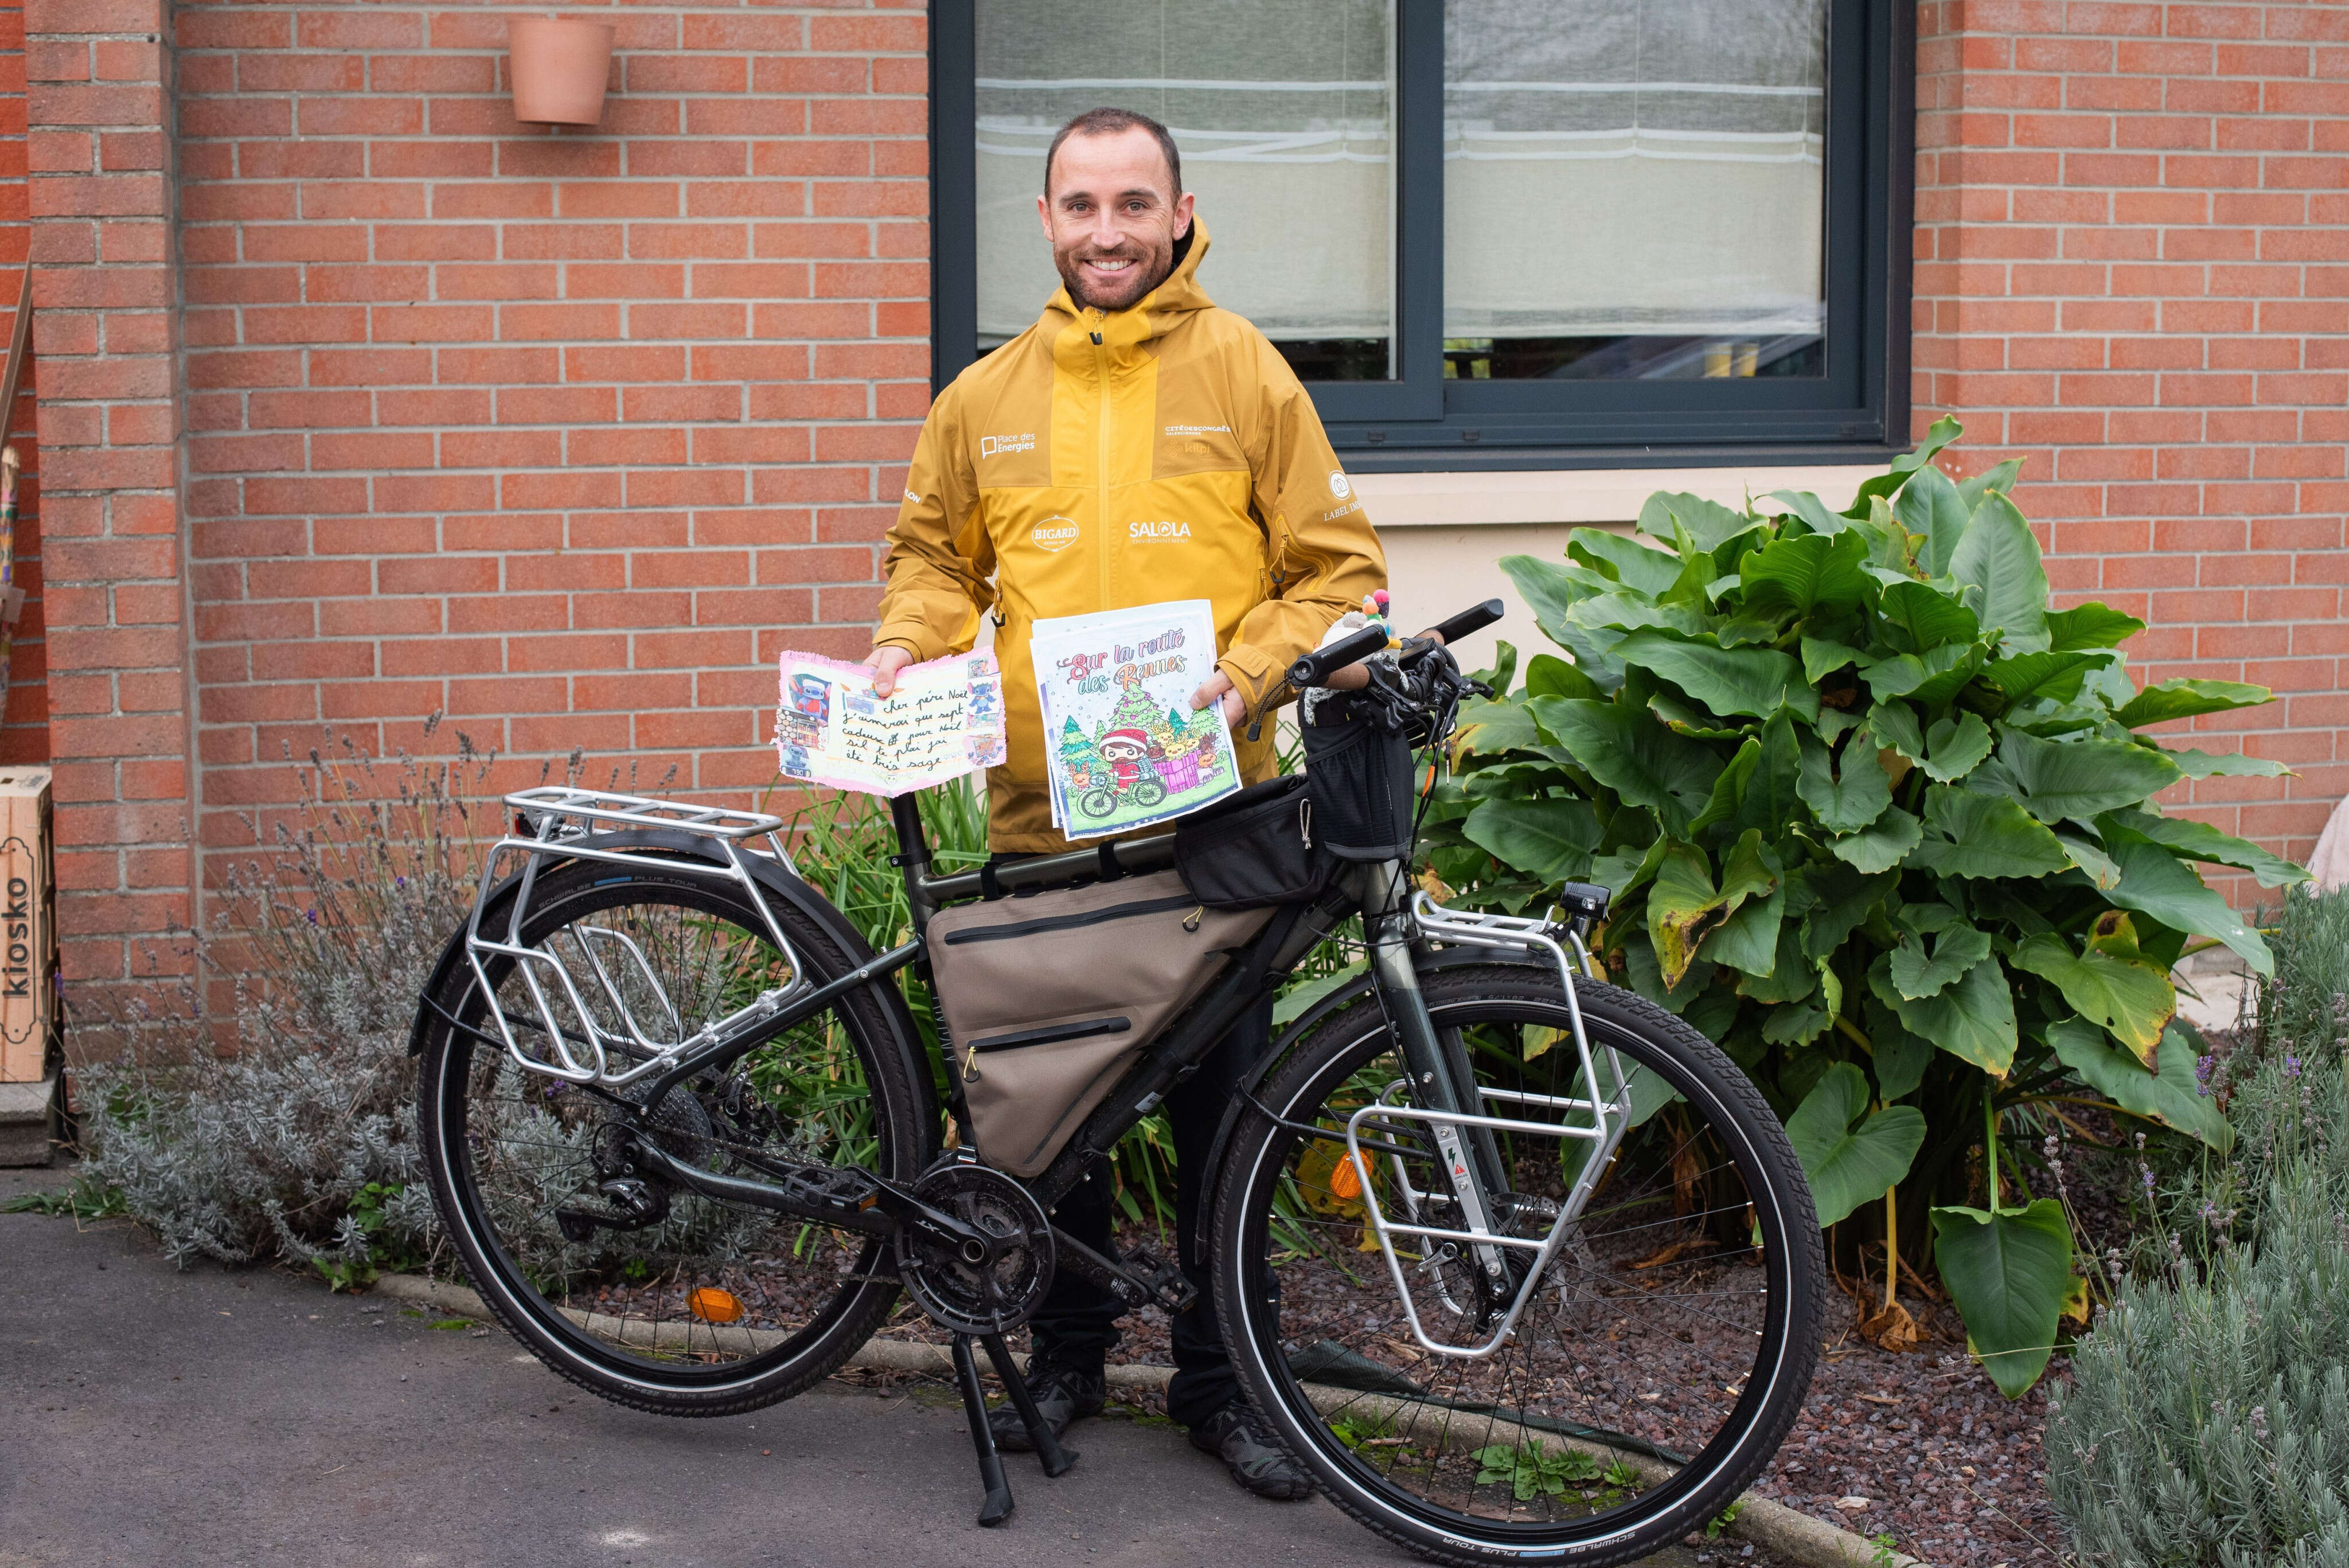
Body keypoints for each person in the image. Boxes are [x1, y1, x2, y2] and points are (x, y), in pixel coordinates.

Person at [863, 106, 1384, 1499]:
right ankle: (1072, 1350)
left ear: (1178, 211)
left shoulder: (1249, 374)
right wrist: (906, 641)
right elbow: (932, 561)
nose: (1107, 231)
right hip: (1047, 820)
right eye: (1081, 206)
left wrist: (1243, 676)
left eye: (1131, 205)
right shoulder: (982, 399)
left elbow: (1338, 575)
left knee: (1224, 1118)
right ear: (1045, 220)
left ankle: (1227, 1384)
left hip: (1212, 820)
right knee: (1056, 1106)